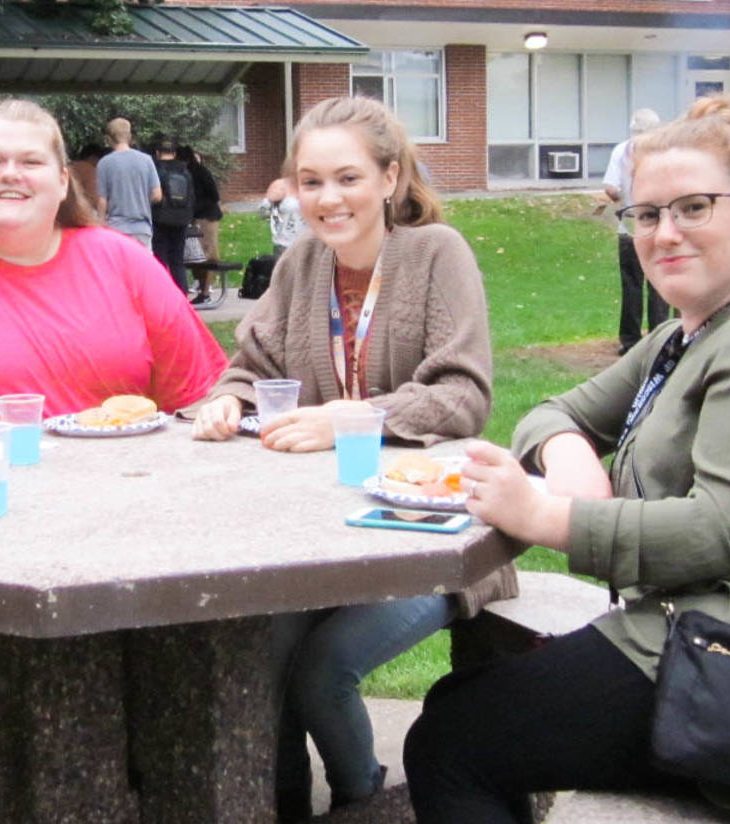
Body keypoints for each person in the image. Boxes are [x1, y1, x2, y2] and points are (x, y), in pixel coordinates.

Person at [403, 96, 730, 824]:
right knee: (459, 703)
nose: (664, 233)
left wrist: (550, 517)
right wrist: (570, 454)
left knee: (450, 744)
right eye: (646, 215)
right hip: (689, 628)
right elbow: (555, 410)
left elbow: (722, 531)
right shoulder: (683, 338)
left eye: (694, 208)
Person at [189, 96, 505, 820]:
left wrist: (354, 417)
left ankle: (362, 800)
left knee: (323, 671)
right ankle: (285, 803)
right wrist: (228, 400)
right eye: (310, 181)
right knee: (266, 656)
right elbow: (251, 364)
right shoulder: (300, 264)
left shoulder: (436, 255)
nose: (327, 200)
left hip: (427, 534)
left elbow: (464, 395)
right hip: (318, 535)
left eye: (348, 178)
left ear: (390, 179)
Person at [0, 99, 228, 425]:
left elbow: (199, 399)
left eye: (31, 161)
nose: (10, 173)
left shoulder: (125, 262)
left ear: (62, 181)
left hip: (117, 484)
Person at [604, 108, 668, 354]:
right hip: (657, 225)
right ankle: (660, 337)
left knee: (631, 283)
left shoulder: (622, 150)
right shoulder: (664, 152)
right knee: (658, 283)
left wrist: (625, 199)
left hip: (629, 225)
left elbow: (610, 188)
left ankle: (630, 341)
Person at [95, 116, 162, 248]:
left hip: (115, 229)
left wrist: (100, 225)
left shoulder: (104, 163)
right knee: (141, 268)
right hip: (142, 229)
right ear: (130, 137)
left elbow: (102, 200)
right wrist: (140, 199)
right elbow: (157, 195)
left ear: (108, 139)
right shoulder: (147, 160)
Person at [151, 136, 196, 292]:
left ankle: (162, 295)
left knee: (160, 260)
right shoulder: (185, 171)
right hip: (181, 220)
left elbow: (154, 196)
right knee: (177, 261)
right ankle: (182, 295)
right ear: (175, 153)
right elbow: (191, 197)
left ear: (157, 152)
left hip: (160, 220)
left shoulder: (155, 170)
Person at [182, 144, 225, 303]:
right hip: (197, 216)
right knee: (196, 254)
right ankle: (202, 289)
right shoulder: (189, 172)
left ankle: (206, 291)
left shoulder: (200, 172)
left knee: (207, 253)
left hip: (207, 216)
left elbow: (214, 195)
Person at [263, 176, 307, 255]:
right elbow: (264, 211)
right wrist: (270, 200)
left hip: (308, 244)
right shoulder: (281, 184)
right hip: (283, 243)